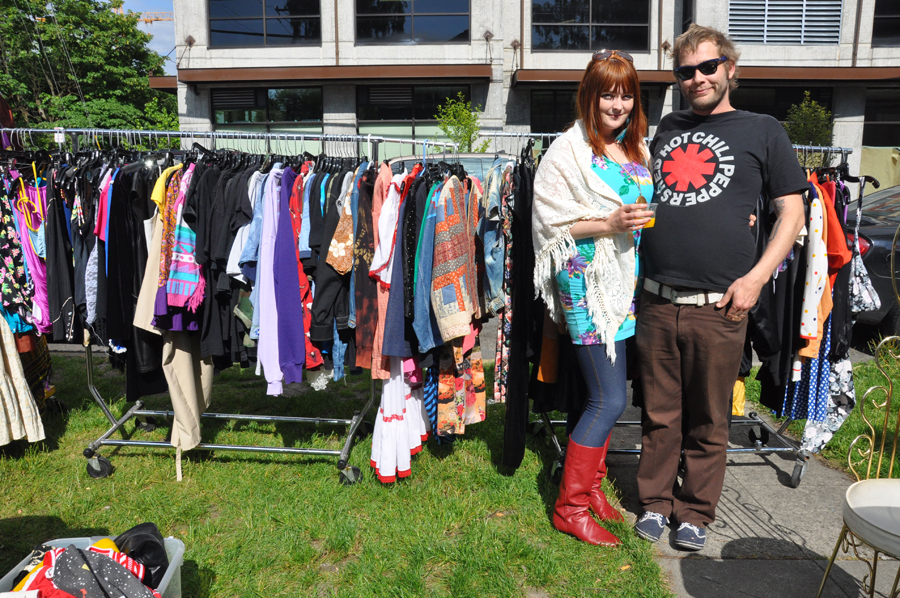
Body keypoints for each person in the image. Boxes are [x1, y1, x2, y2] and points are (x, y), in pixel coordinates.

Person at [634, 24, 808, 551]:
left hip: (721, 306)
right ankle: (655, 502)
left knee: (710, 418)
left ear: (730, 68)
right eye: (685, 71)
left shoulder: (763, 130)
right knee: (658, 414)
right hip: (656, 298)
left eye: (708, 67)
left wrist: (756, 278)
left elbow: (792, 213)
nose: (697, 78)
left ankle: (694, 512)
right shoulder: (667, 127)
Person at [532, 50, 654, 546]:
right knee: (610, 399)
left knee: (601, 393)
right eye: (608, 94)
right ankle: (571, 507)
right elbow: (550, 225)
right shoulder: (567, 151)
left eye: (626, 95)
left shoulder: (633, 147)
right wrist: (609, 223)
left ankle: (594, 489)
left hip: (621, 282)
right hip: (585, 283)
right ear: (589, 95)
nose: (617, 105)